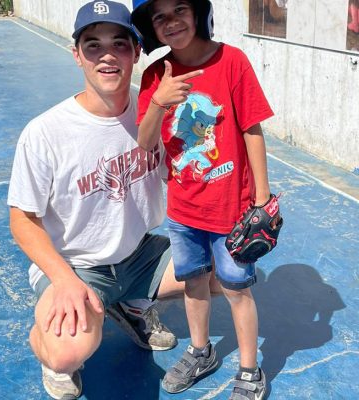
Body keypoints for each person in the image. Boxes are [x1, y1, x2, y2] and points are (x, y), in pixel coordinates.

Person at [7, 1, 189, 399]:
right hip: (76, 264)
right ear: (76, 55)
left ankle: (133, 304)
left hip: (139, 254)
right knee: (66, 353)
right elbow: (22, 219)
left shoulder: (155, 110)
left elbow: (187, 169)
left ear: (136, 52)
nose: (107, 55)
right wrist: (63, 277)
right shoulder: (46, 132)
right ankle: (50, 341)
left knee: (226, 269)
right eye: (93, 45)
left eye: (119, 44)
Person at [131, 0, 275, 398]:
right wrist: (160, 101)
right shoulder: (155, 75)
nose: (171, 22)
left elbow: (252, 128)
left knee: (236, 289)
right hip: (183, 208)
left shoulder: (231, 61)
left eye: (179, 9)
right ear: (151, 28)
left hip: (232, 208)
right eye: (159, 17)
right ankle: (200, 351)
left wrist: (260, 197)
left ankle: (249, 369)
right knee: (194, 282)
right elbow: (145, 144)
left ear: (198, 13)